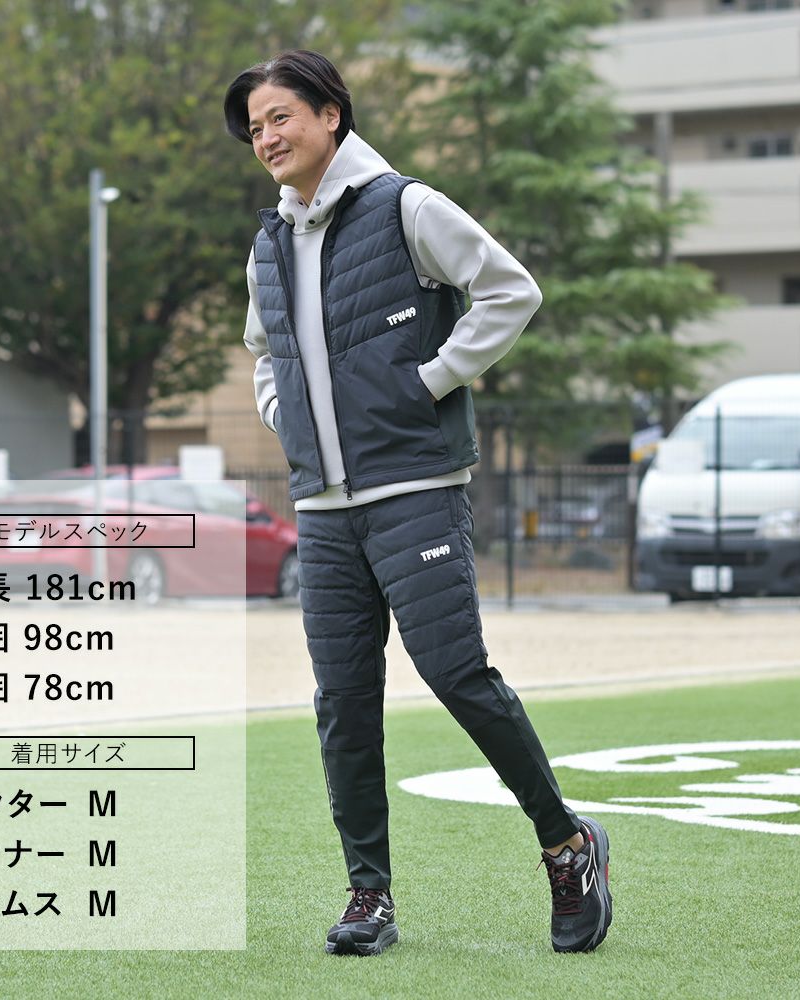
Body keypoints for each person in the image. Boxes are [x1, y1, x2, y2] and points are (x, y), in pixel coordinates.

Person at [224, 50, 612, 958]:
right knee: (343, 702)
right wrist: (283, 415)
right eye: (255, 128)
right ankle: (369, 894)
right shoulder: (269, 243)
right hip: (324, 509)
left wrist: (431, 381)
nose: (267, 138)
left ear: (330, 114)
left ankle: (567, 845)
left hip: (415, 491)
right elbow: (264, 350)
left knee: (457, 673)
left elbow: (511, 291)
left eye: (281, 117)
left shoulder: (406, 207)